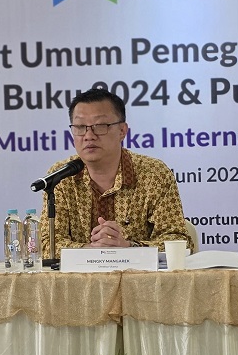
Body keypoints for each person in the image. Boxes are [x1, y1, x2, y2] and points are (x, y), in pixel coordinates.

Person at [40, 88, 192, 259]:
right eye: (80, 127)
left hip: (140, 275)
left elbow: (179, 241)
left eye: (100, 126)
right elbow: (46, 245)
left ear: (122, 131)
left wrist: (128, 247)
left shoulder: (154, 174)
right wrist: (92, 250)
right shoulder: (61, 177)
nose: (89, 136)